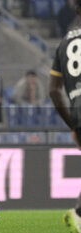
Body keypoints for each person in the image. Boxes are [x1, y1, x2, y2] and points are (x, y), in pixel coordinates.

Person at [49, 1, 81, 232]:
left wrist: (71, 123)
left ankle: (78, 212)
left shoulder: (65, 42)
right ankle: (78, 213)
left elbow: (53, 90)